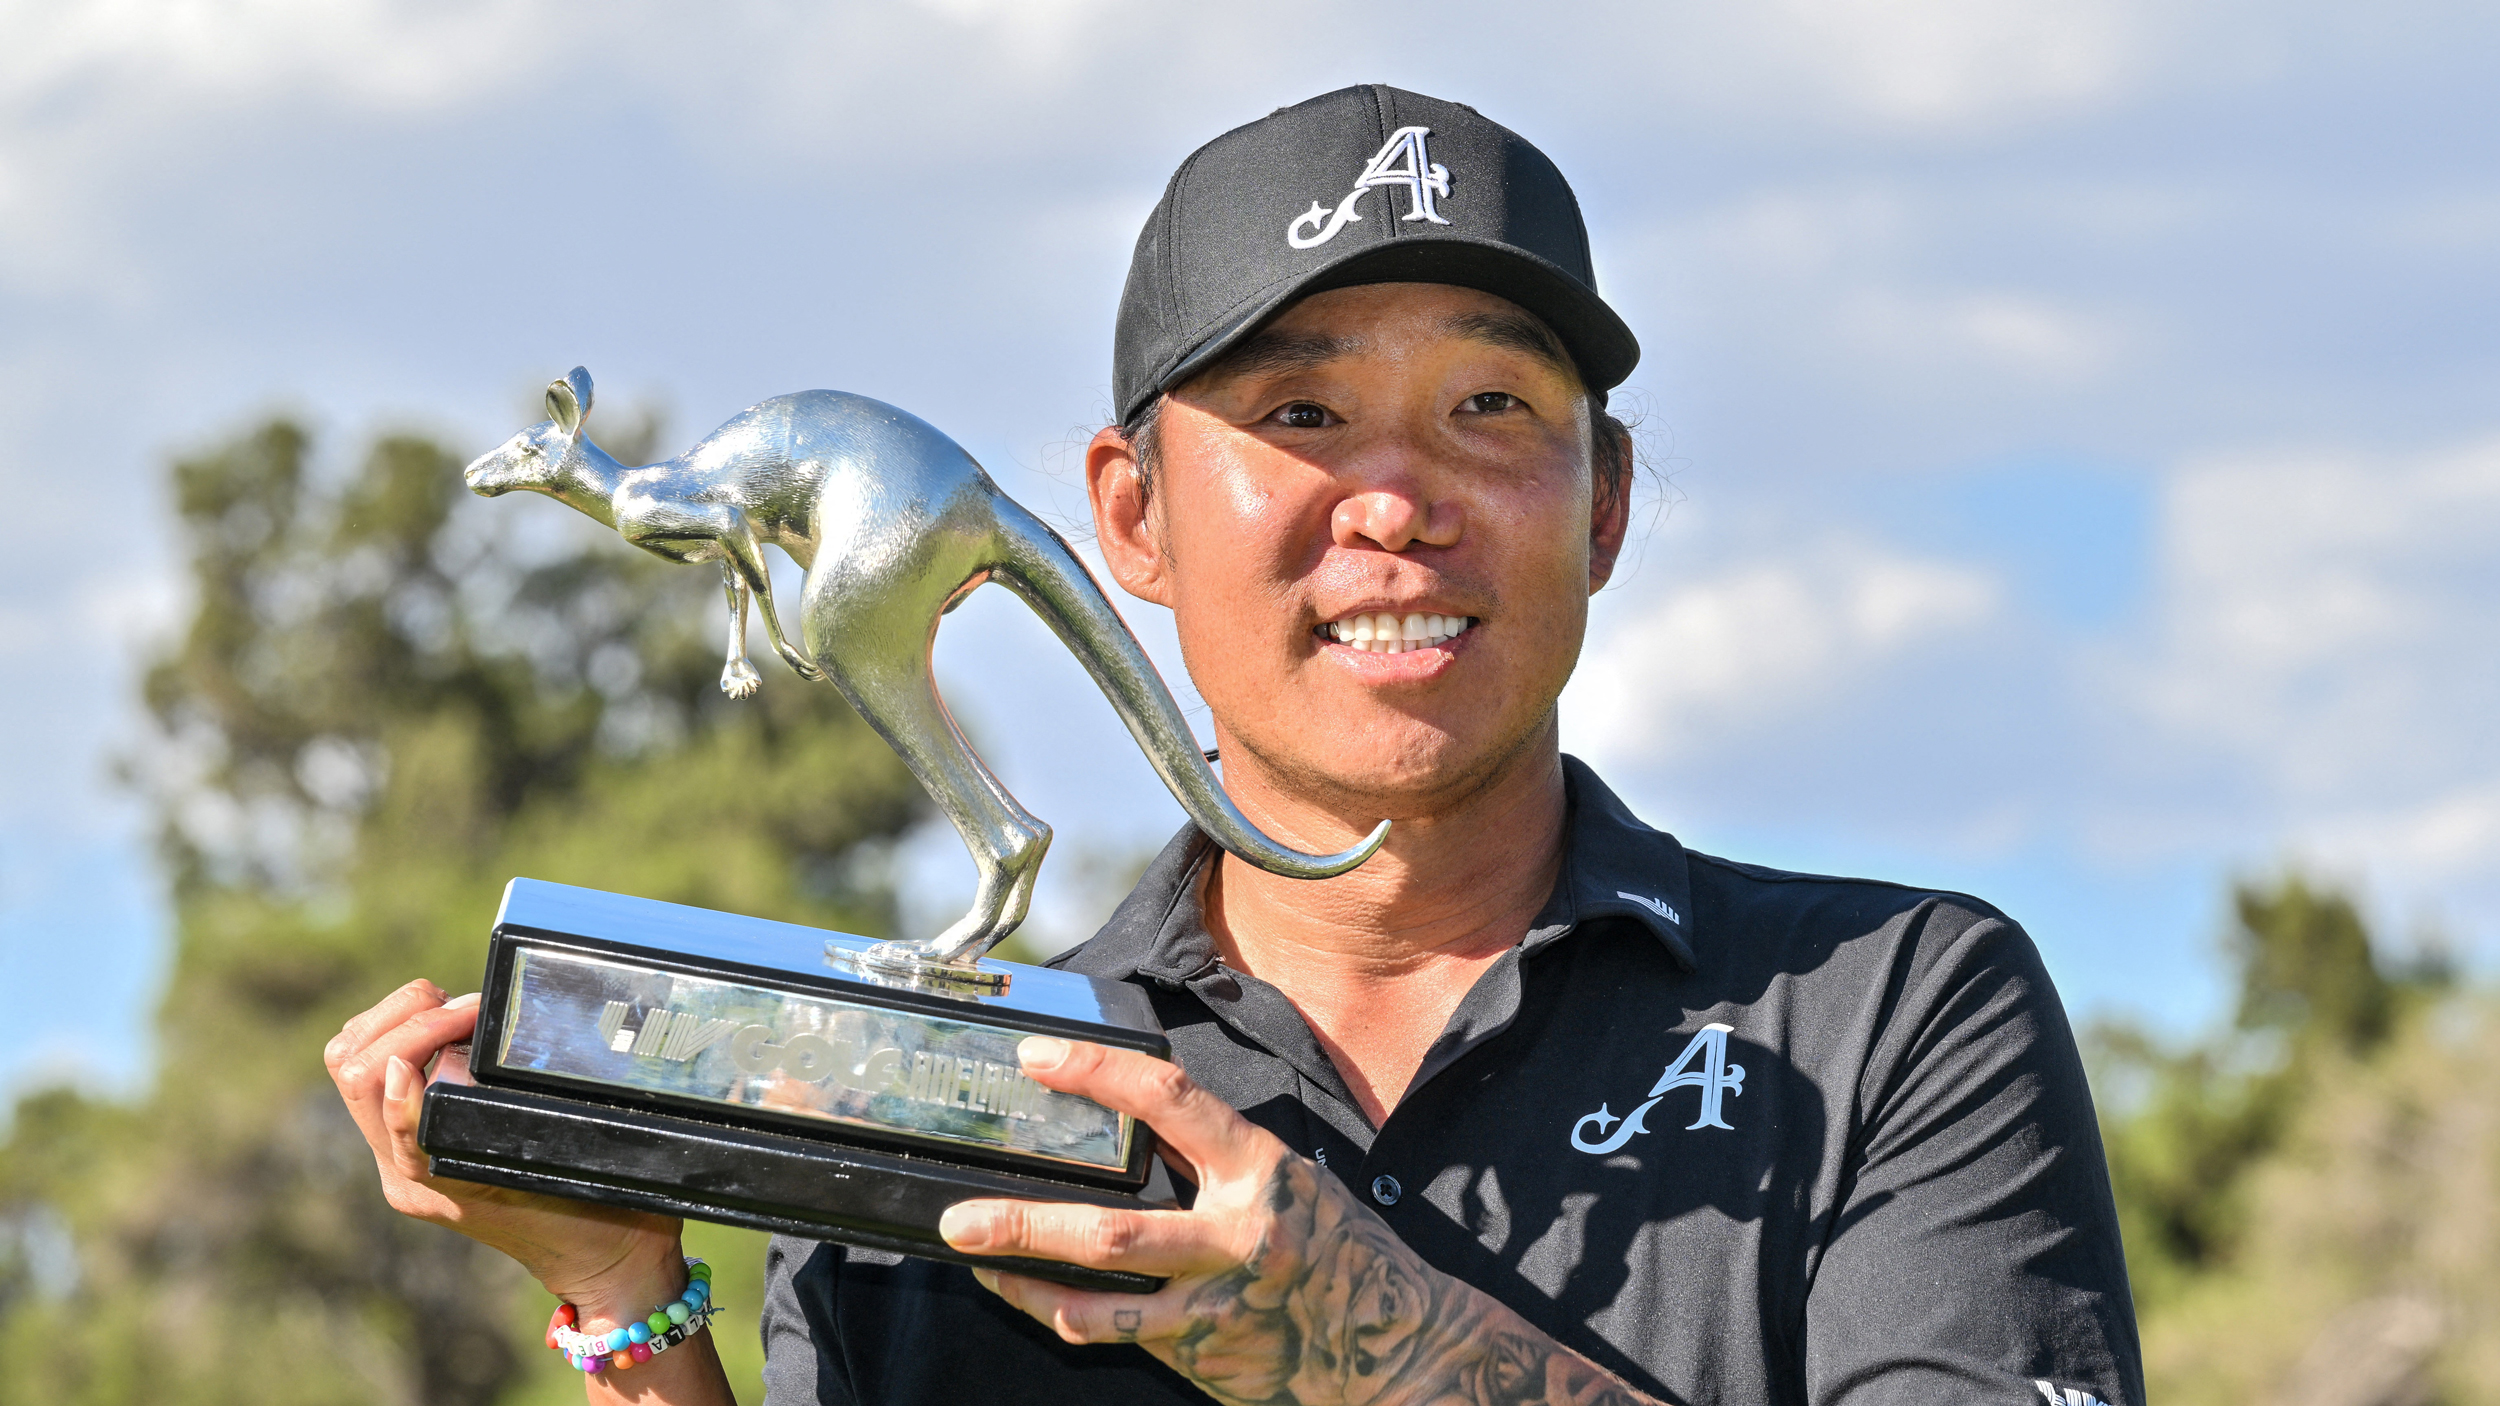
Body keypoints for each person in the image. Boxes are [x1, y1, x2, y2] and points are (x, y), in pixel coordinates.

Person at [325, 85, 2144, 1405]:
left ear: (1602, 505)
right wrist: (625, 1303)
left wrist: (1366, 1334)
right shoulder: (968, 1085)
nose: (1396, 503)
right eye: (1300, 412)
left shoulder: (1895, 1011)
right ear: (1131, 519)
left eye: (1490, 406)